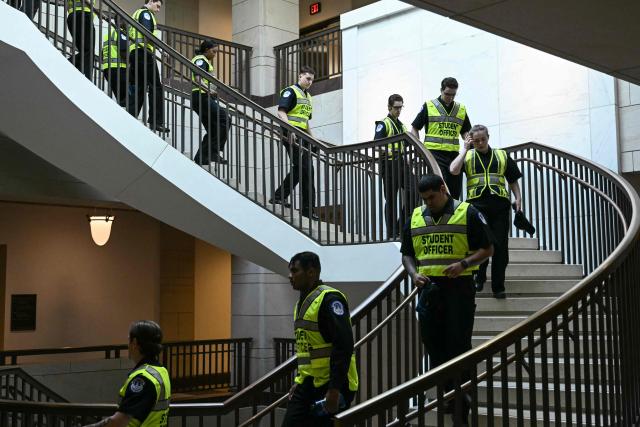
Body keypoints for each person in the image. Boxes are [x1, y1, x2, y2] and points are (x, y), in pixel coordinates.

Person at [401, 174, 493, 426]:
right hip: (428, 290)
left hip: (459, 288)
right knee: (433, 347)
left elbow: (488, 248)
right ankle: (449, 397)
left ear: (443, 189)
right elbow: (407, 254)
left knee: (458, 347)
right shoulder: (416, 216)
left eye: (432, 197)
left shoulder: (468, 212)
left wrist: (464, 263)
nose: (428, 202)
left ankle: (462, 408)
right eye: (424, 199)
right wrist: (413, 274)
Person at [282, 251, 359, 427]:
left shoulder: (329, 299)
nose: (290, 276)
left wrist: (334, 389)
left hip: (332, 383)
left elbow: (344, 345)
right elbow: (306, 350)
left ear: (311, 272)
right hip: (308, 382)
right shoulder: (301, 303)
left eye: (295, 271)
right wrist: (299, 380)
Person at [449, 124, 523, 299]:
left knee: (500, 247)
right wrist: (465, 149)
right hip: (477, 206)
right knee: (481, 244)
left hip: (500, 206)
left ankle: (498, 286)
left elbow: (512, 179)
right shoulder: (467, 156)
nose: (480, 143)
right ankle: (479, 277)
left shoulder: (502, 155)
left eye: (483, 139)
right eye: (476, 141)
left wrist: (518, 198)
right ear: (471, 140)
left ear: (488, 137)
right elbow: (453, 170)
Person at [83, 320, 171, 427]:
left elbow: (119, 422)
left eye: (128, 340)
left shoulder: (143, 379)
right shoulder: (161, 371)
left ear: (134, 343)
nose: (127, 346)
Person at [410, 77, 471, 199]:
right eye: (447, 94)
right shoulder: (429, 106)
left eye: (453, 95)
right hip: (434, 154)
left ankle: (453, 216)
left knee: (454, 191)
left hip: (454, 155)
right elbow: (415, 128)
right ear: (441, 90)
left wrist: (468, 145)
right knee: (440, 189)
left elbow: (466, 132)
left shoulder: (461, 109)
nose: (450, 97)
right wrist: (419, 150)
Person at [270, 66, 318, 220]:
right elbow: (281, 111)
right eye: (307, 78)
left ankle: (280, 196)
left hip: (302, 134)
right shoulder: (290, 91)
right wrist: (290, 129)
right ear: (300, 76)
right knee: (305, 168)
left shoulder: (308, 96)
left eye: (312, 79)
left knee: (305, 169)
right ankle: (306, 209)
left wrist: (313, 139)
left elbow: (305, 121)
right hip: (290, 132)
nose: (310, 82)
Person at [127, 0, 169, 133]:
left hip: (135, 52)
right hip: (143, 52)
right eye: (157, 6)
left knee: (140, 86)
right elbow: (146, 33)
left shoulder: (137, 13)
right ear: (150, 1)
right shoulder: (146, 14)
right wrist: (162, 49)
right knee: (156, 86)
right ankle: (156, 121)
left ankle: (130, 116)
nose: (158, 10)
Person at [374, 93, 409, 238]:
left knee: (415, 190)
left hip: (401, 163)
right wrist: (390, 151)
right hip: (388, 164)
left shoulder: (402, 125)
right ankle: (392, 232)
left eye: (401, 107)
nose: (399, 111)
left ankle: (400, 226)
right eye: (396, 108)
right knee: (391, 199)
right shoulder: (383, 123)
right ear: (389, 107)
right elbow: (376, 145)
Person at [191, 40, 230, 165]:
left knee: (214, 130)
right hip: (202, 97)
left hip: (203, 98)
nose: (215, 54)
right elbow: (197, 78)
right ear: (207, 49)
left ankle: (201, 157)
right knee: (225, 118)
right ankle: (214, 151)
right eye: (213, 51)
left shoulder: (205, 61)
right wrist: (208, 89)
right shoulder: (200, 59)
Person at [101, 19, 129, 107]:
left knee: (121, 98)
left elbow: (102, 55)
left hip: (107, 70)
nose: (128, 24)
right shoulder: (121, 33)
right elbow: (123, 51)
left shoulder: (108, 35)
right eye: (126, 21)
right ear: (120, 22)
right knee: (127, 99)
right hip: (118, 70)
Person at [66, 0, 95, 80]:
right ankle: (87, 79)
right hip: (83, 15)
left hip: (73, 16)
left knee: (86, 52)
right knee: (89, 52)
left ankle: (80, 74)